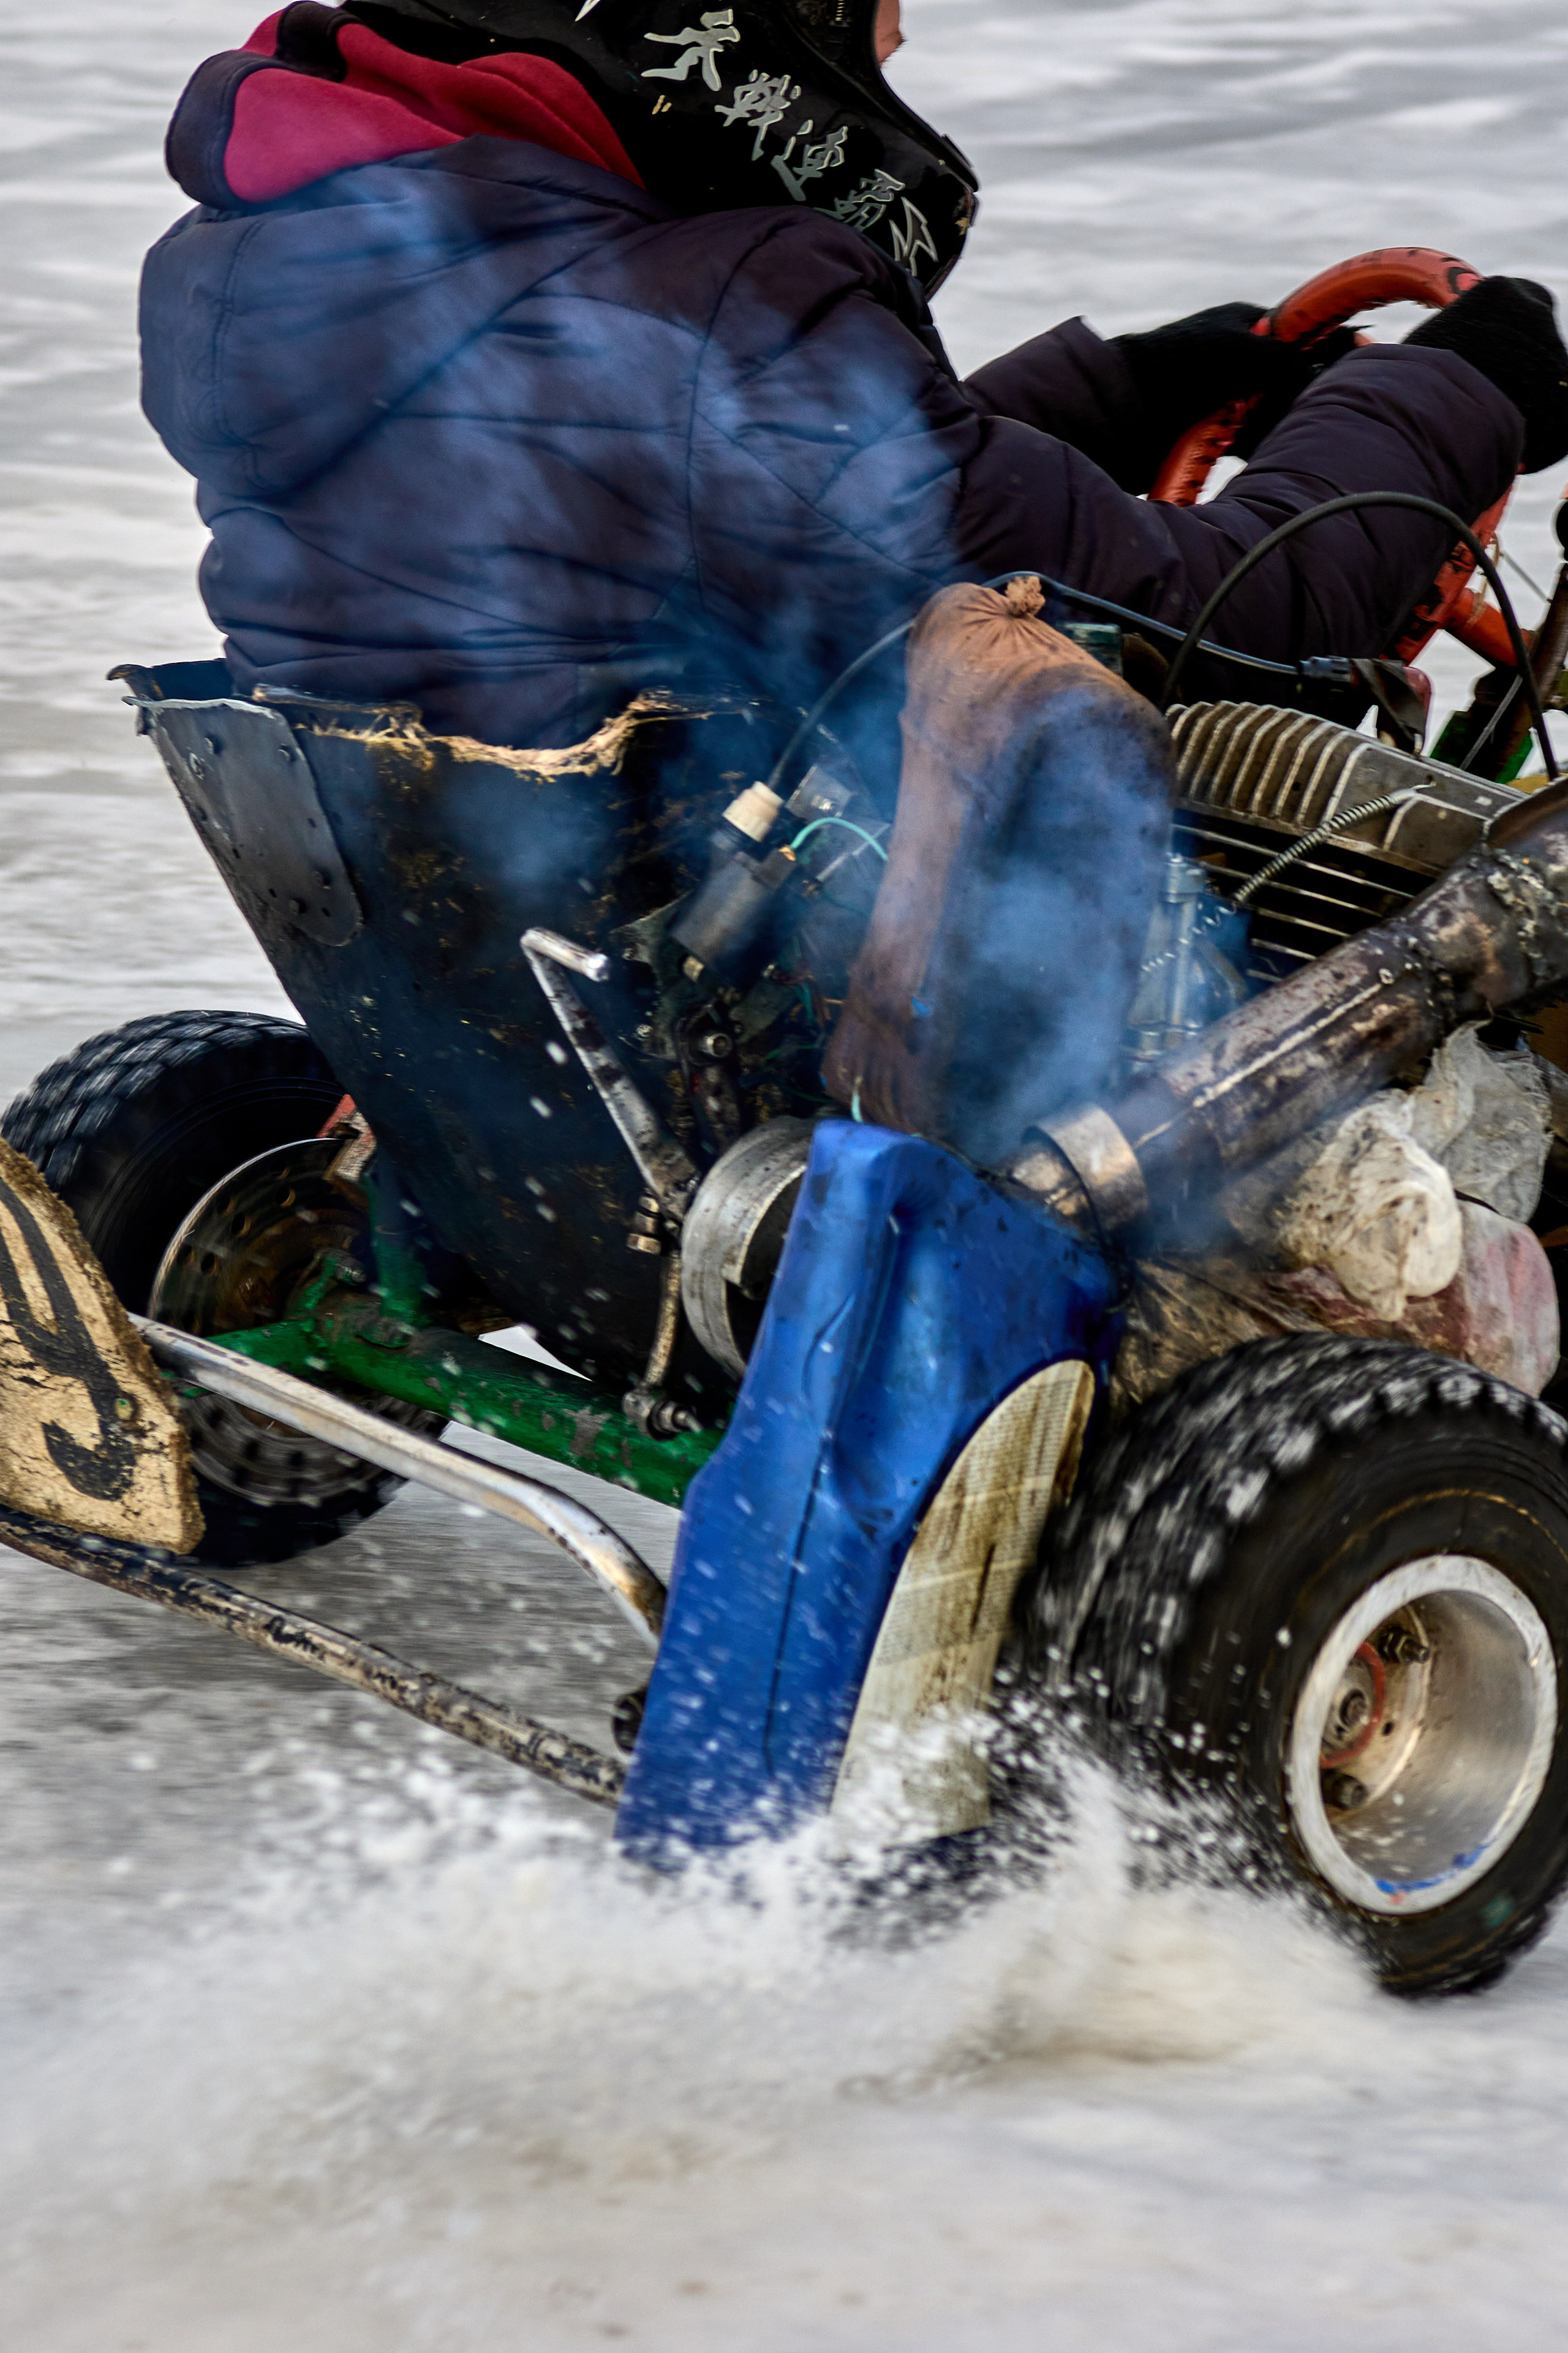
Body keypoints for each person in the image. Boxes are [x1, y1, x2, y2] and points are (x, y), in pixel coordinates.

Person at [141, 0, 1568, 754]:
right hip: (774, 1004)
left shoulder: (343, 273)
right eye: (872, 39)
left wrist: (1125, 387)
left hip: (480, 954)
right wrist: (1455, 392)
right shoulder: (712, 325)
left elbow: (784, 504)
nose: (886, 73)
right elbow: (1222, 625)